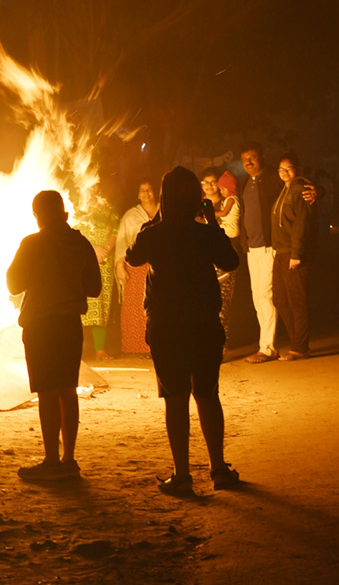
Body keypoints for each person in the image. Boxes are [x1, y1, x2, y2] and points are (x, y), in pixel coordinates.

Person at [125, 167, 243, 494]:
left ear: (163, 199)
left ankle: (182, 475)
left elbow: (133, 257)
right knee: (207, 394)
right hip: (203, 323)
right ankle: (218, 469)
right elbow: (230, 261)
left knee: (175, 399)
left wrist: (155, 221)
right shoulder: (205, 234)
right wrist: (212, 221)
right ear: (196, 200)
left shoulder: (154, 233)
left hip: (166, 325)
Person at [6, 191, 102, 480]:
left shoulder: (32, 243)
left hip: (40, 326)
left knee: (47, 393)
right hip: (70, 325)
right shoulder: (80, 243)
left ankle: (50, 462)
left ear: (38, 215)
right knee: (67, 391)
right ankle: (69, 459)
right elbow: (94, 288)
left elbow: (13, 284)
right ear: (63, 212)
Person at [236, 143, 282, 364]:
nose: (249, 162)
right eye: (245, 159)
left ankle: (267, 347)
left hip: (269, 246)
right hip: (252, 248)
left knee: (266, 296)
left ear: (262, 157)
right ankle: (265, 345)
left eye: (252, 157)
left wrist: (316, 192)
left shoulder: (274, 176)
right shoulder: (245, 182)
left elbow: (299, 186)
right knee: (258, 297)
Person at [271, 152, 318, 361]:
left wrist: (296, 253)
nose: (285, 172)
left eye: (288, 168)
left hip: (294, 252)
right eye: (281, 169)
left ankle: (300, 347)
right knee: (280, 299)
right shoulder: (285, 190)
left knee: (297, 300)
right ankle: (296, 342)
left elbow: (302, 223)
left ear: (297, 168)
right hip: (280, 251)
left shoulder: (301, 189)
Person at [115, 180, 159, 354]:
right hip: (136, 266)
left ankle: (158, 346)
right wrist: (120, 266)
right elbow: (121, 242)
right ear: (138, 194)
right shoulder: (130, 216)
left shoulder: (164, 212)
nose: (146, 193)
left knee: (158, 306)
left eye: (149, 190)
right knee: (136, 307)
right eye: (142, 190)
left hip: (159, 265)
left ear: (155, 192)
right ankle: (137, 347)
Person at [201, 168, 240, 339]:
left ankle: (221, 345)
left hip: (223, 258)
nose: (209, 186)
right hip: (202, 261)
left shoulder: (226, 203)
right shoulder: (197, 204)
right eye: (205, 182)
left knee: (222, 303)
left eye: (212, 182)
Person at [77, 199, 117, 360]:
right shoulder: (77, 207)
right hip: (84, 258)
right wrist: (93, 249)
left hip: (104, 261)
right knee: (80, 305)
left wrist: (105, 249)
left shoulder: (109, 208)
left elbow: (117, 229)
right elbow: (74, 231)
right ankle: (76, 350)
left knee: (101, 307)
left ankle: (100, 350)